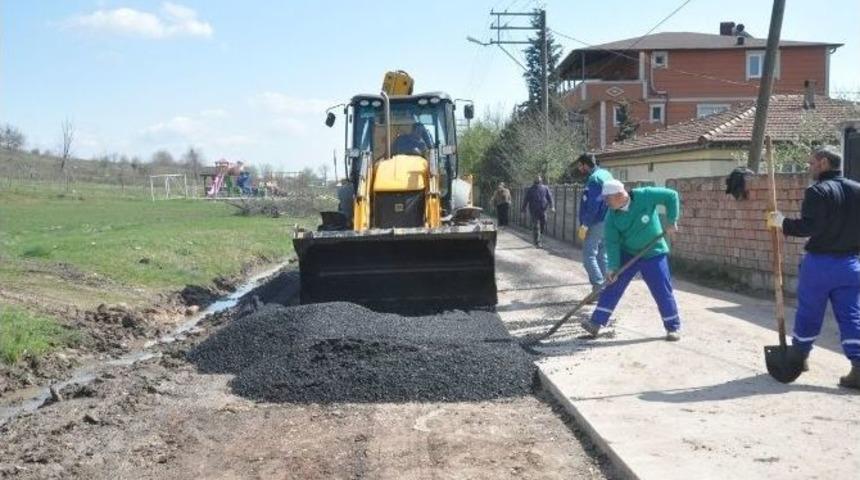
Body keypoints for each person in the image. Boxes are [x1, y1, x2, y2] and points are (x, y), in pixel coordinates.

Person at [767, 145, 860, 389]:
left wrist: (782, 222)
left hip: (820, 264)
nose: (809, 167)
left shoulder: (817, 191)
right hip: (851, 265)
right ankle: (859, 367)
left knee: (809, 312)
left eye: (811, 163)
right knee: (851, 315)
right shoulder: (857, 189)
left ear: (823, 163)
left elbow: (810, 227)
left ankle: (798, 359)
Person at [580, 179, 682, 341]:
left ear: (619, 195)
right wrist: (613, 267)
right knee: (613, 285)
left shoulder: (645, 195)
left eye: (607, 199)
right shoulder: (611, 216)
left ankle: (673, 327)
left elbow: (671, 196)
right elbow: (612, 243)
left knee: (661, 288)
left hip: (653, 252)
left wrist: (672, 220)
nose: (605, 202)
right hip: (628, 253)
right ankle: (595, 323)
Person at [576, 153, 614, 295]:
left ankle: (599, 288)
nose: (579, 169)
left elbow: (594, 205)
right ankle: (608, 287)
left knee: (589, 256)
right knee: (602, 255)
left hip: (596, 221)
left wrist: (585, 224)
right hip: (609, 221)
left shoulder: (594, 179)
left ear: (586, 165)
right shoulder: (606, 174)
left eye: (580, 166)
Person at [521, 175, 554, 247]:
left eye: (539, 180)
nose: (538, 181)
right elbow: (526, 200)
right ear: (534, 181)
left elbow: (550, 198)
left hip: (543, 210)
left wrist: (552, 207)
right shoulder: (530, 189)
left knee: (543, 224)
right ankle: (537, 242)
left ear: (541, 181)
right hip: (534, 210)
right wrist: (523, 210)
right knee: (536, 226)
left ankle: (538, 237)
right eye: (536, 180)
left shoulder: (545, 188)